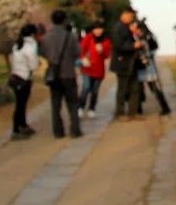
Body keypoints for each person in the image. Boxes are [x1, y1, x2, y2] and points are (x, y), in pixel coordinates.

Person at [40, 10, 82, 138]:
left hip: (54, 74)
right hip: (68, 73)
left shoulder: (46, 37)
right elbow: (76, 53)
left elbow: (42, 52)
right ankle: (75, 130)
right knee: (73, 104)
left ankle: (58, 131)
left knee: (55, 104)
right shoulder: (70, 36)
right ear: (64, 20)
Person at [132, 20, 171, 116]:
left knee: (153, 87)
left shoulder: (146, 37)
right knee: (141, 88)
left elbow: (153, 49)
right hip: (143, 64)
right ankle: (139, 109)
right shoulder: (144, 36)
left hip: (147, 64)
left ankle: (164, 107)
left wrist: (146, 55)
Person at [8, 23, 39, 138]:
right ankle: (16, 128)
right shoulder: (31, 45)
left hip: (16, 75)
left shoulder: (17, 45)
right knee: (21, 105)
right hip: (24, 77)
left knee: (20, 103)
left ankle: (23, 125)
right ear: (33, 34)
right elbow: (33, 65)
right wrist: (37, 64)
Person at [110, 8, 142, 120]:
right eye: (130, 16)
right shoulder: (118, 28)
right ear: (124, 15)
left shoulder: (129, 28)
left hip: (132, 62)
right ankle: (120, 112)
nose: (131, 19)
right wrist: (132, 46)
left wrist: (136, 34)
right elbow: (118, 45)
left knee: (135, 88)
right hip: (122, 62)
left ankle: (133, 112)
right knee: (122, 88)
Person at [78, 21, 111, 118]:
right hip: (87, 68)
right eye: (96, 29)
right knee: (86, 88)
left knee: (95, 91)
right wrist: (83, 59)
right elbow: (81, 49)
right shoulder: (88, 38)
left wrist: (101, 51)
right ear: (93, 30)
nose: (98, 31)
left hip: (99, 70)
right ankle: (80, 107)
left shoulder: (105, 40)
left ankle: (92, 108)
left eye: (100, 29)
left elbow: (107, 55)